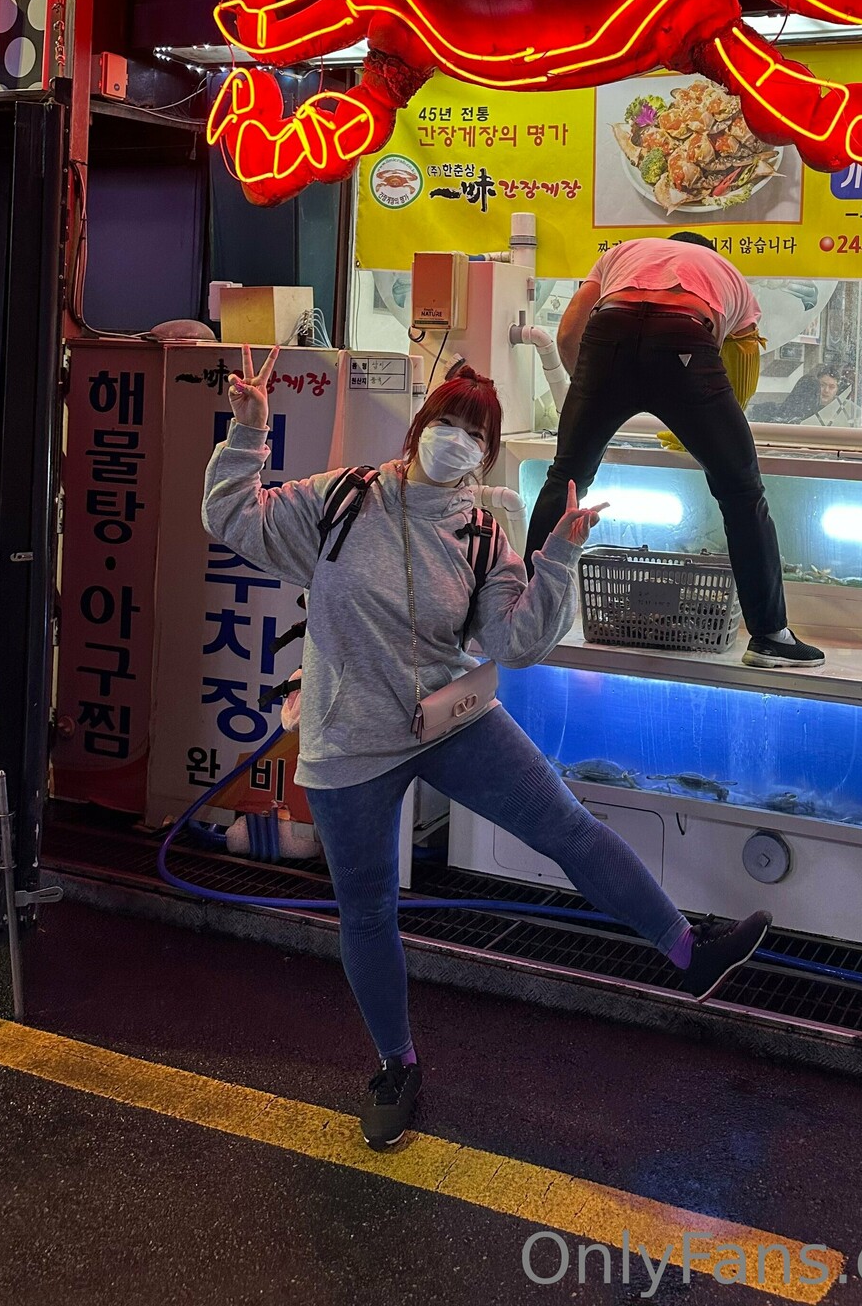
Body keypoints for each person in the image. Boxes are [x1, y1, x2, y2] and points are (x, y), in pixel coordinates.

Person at [203, 347, 772, 1149]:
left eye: (475, 434)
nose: (457, 440)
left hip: (450, 719)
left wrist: (560, 554)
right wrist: (248, 432)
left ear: (486, 454)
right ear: (419, 427)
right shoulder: (343, 499)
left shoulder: (479, 536)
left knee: (568, 826)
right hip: (347, 740)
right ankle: (396, 1064)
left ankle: (688, 951)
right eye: (449, 422)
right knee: (367, 909)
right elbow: (233, 518)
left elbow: (518, 642)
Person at [524, 233, 823, 666]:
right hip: (684, 333)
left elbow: (569, 333)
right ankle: (769, 636)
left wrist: (590, 392)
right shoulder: (727, 274)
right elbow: (740, 372)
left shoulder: (623, 253)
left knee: (565, 479)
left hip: (608, 332)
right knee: (741, 493)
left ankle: (526, 613)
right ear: (708, 254)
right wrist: (704, 426)